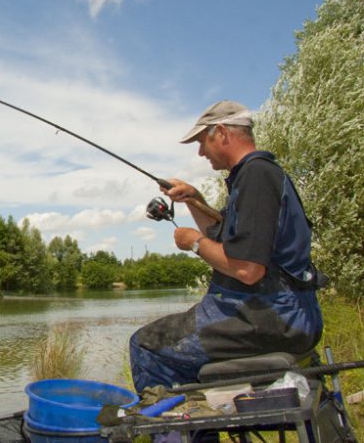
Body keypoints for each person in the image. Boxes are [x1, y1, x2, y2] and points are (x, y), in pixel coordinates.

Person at [129, 100, 324, 392]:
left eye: (201, 141)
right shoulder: (256, 176)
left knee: (146, 347)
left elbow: (247, 269)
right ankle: (194, 430)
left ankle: (175, 436)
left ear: (221, 132)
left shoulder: (256, 176)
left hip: (267, 317)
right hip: (281, 314)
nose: (200, 152)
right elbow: (226, 238)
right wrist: (193, 199)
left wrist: (194, 243)